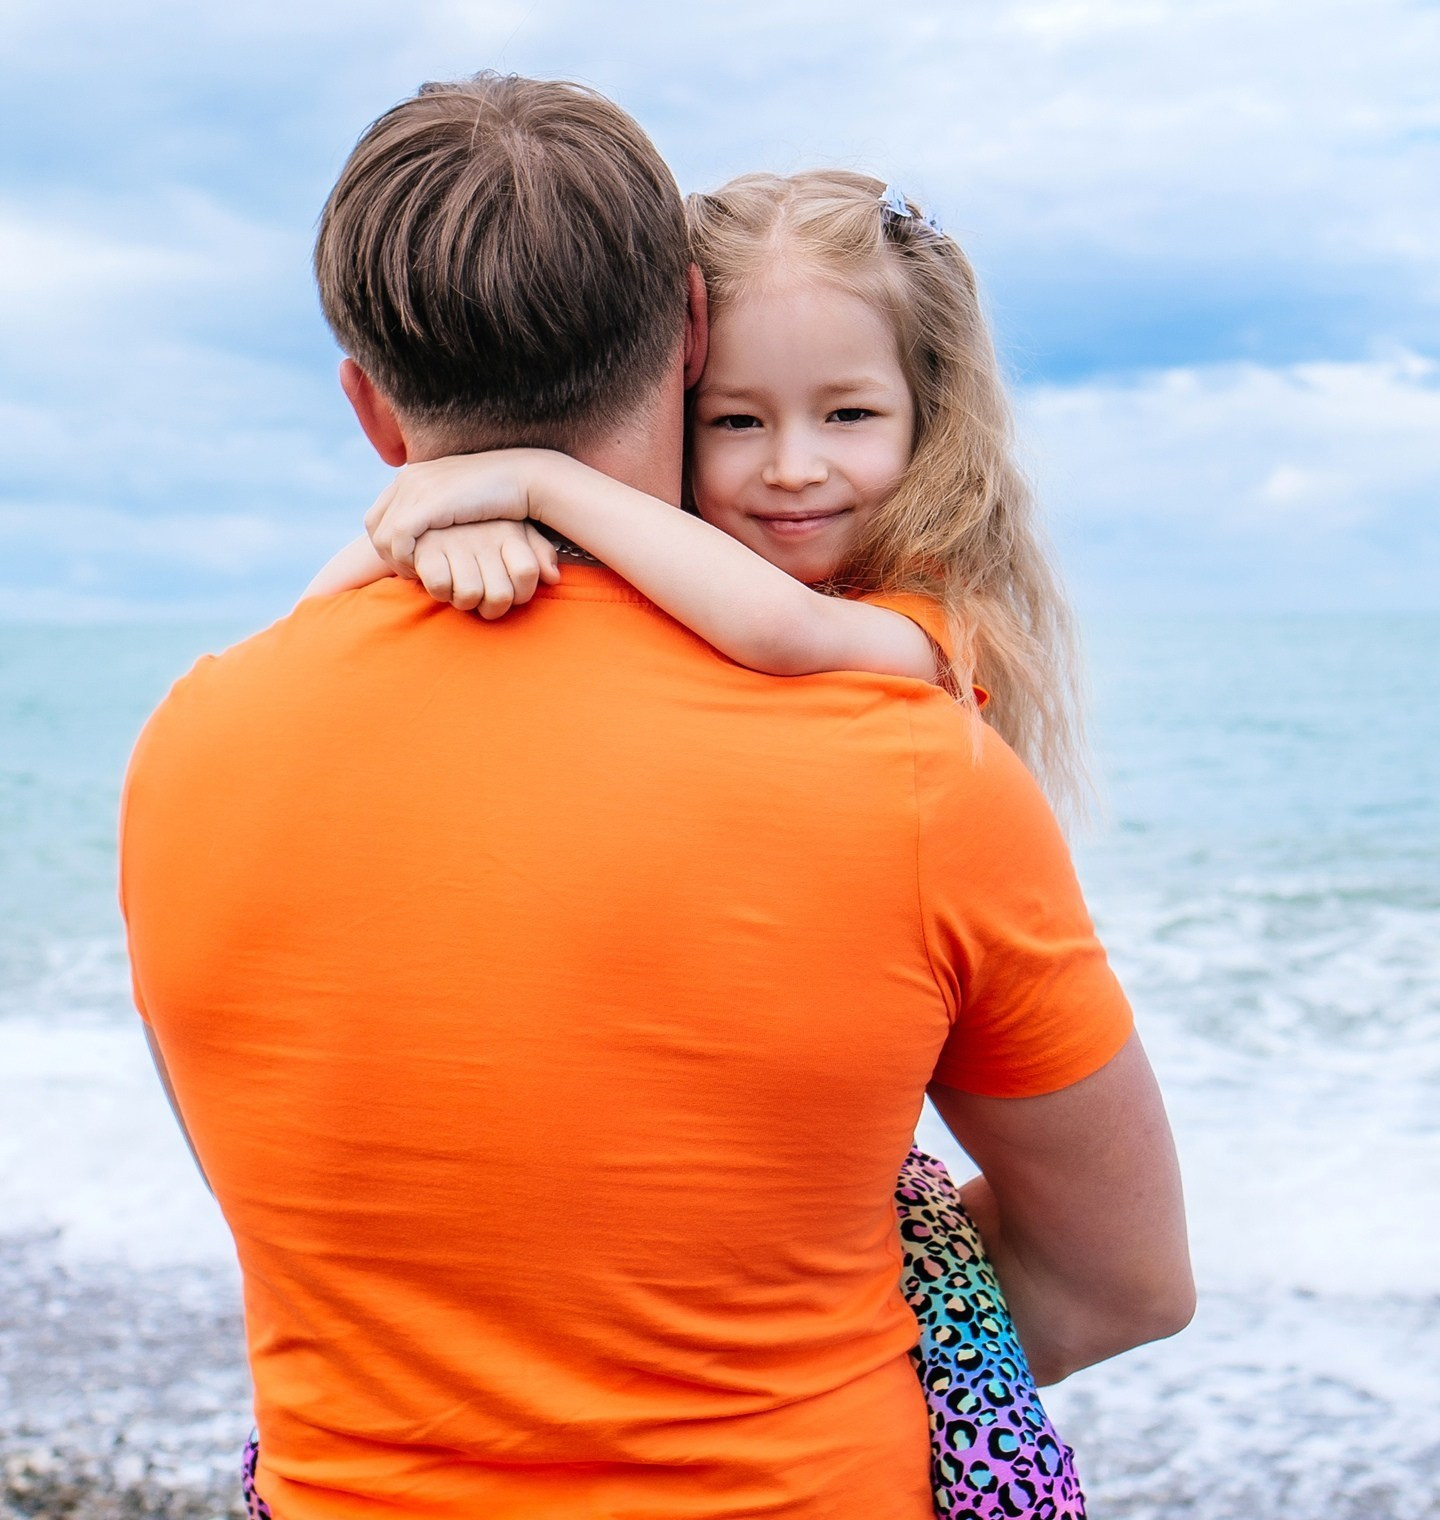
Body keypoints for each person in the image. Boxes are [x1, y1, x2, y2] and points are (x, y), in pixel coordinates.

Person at [120, 75, 1193, 1520]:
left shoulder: (188, 748)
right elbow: (1120, 1282)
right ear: (691, 333)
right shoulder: (910, 763)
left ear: (370, 409)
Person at [313, 166, 1108, 1516]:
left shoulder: (921, 630)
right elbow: (306, 642)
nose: (793, 467)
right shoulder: (653, 593)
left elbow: (781, 633)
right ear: (673, 395)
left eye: (848, 414)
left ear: (931, 419)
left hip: (844, 1226)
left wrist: (526, 478)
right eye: (736, 419)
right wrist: (438, 527)